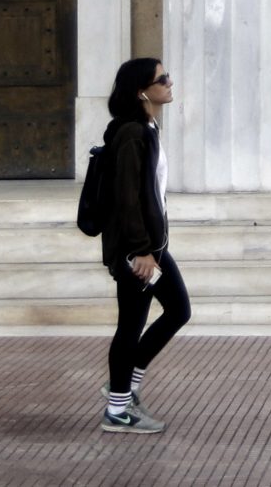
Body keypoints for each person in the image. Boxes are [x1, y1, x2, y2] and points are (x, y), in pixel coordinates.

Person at [98, 55, 186, 434]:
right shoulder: (132, 133)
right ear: (141, 91)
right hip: (138, 249)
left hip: (152, 244)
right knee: (130, 326)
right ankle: (118, 410)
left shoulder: (147, 127)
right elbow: (127, 198)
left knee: (178, 310)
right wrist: (140, 250)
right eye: (161, 79)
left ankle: (125, 389)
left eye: (167, 77)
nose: (169, 83)